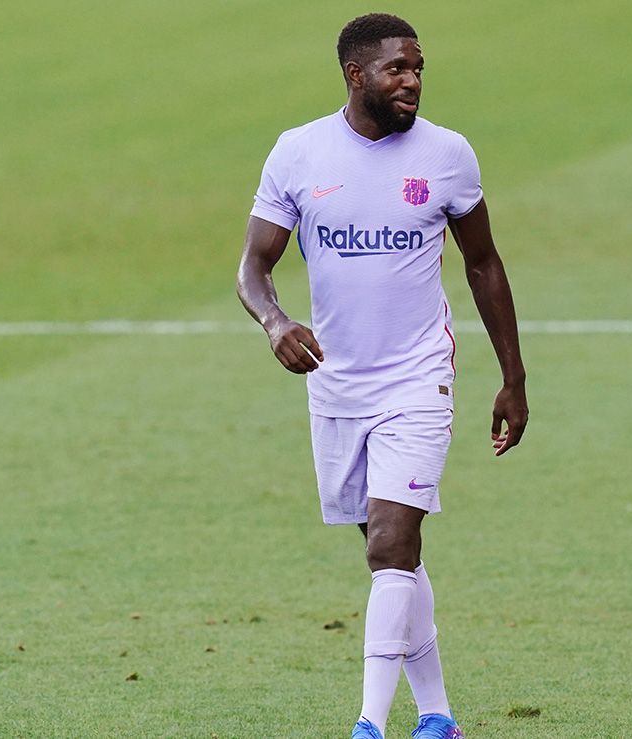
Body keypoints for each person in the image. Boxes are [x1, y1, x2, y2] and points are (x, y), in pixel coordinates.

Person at [235, 13, 528, 739]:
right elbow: (253, 266)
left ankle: (368, 723)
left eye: (419, 68)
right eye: (398, 68)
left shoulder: (448, 155)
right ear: (355, 75)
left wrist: (513, 378)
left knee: (390, 543)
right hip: (337, 382)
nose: (413, 82)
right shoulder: (299, 153)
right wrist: (275, 322)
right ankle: (437, 715)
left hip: (417, 378)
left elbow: (484, 264)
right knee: (392, 558)